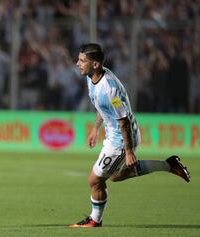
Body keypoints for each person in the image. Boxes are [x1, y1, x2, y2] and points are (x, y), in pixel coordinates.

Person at [69, 43, 190, 228]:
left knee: (94, 179)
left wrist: (129, 150)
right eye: (79, 59)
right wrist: (95, 129)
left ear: (95, 64)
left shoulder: (109, 88)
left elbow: (123, 120)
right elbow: (102, 108)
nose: (78, 63)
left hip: (121, 139)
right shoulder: (92, 76)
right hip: (114, 134)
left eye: (82, 60)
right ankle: (169, 165)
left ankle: (95, 220)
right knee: (116, 176)